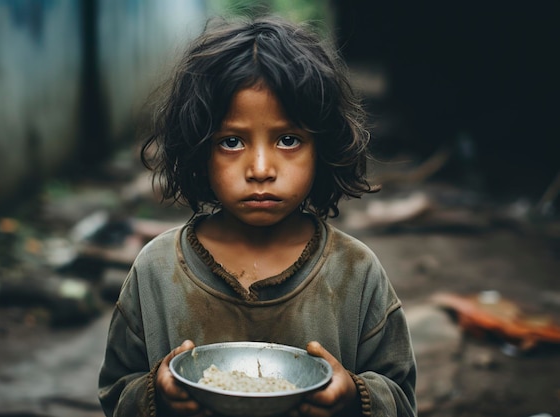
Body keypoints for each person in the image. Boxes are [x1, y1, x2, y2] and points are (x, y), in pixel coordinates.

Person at [98, 14, 417, 417]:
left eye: (288, 140)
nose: (261, 168)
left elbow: (402, 399)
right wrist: (156, 391)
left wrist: (354, 396)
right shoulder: (157, 271)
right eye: (231, 141)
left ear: (323, 148)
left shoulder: (356, 273)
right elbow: (114, 391)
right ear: (199, 150)